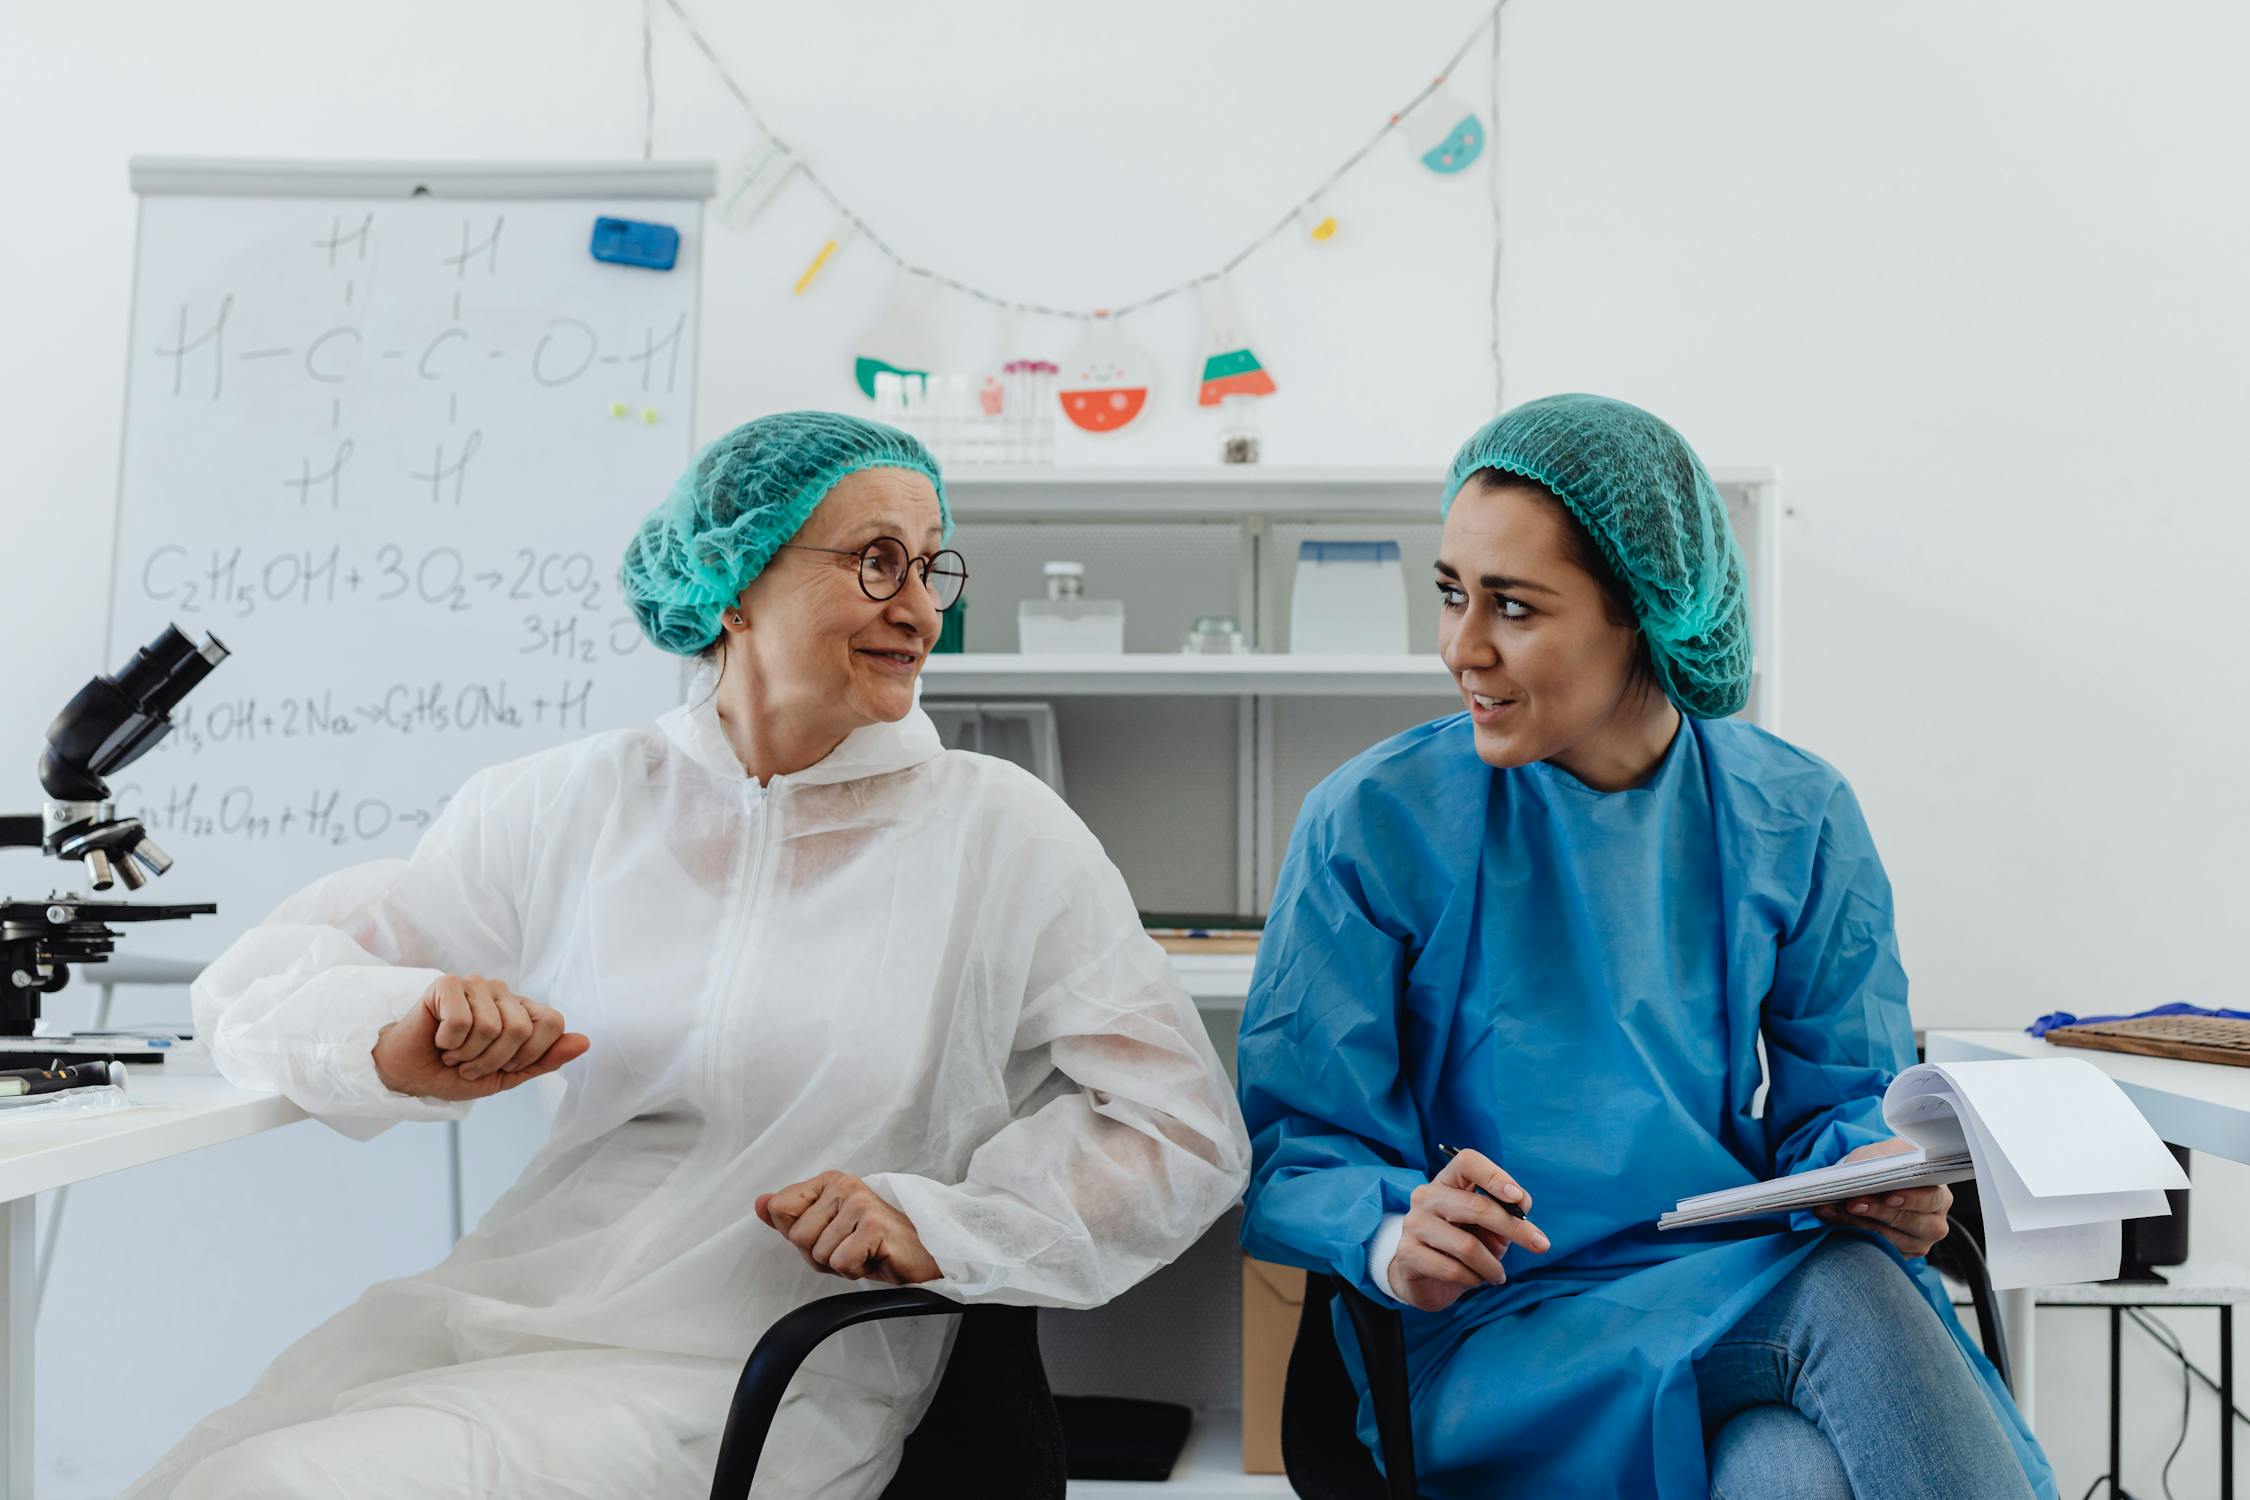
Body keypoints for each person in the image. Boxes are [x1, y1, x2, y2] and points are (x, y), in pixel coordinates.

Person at [127, 411, 1250, 1499]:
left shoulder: (999, 832)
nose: (919, 610)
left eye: (929, 568)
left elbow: (1181, 1128)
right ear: (735, 583)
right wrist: (398, 1030)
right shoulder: (568, 802)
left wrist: (946, 1221)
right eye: (874, 561)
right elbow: (260, 990)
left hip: (768, 1370)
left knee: (280, 1483)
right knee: (205, 1477)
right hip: (499, 1317)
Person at [1237, 394, 2054, 1499]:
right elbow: (1298, 1150)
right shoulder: (1373, 821)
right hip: (1499, 1332)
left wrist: (1874, 1174)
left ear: (1643, 613)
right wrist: (1394, 1234)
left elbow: (1843, 1103)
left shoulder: (1796, 813)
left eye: (1512, 607)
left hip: (1737, 1286)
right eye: (1450, 595)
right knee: (1852, 1297)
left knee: (1791, 1473)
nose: (1460, 648)